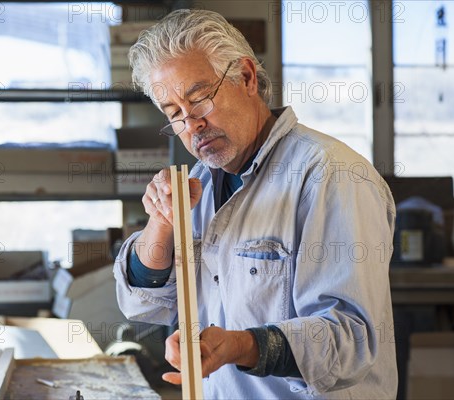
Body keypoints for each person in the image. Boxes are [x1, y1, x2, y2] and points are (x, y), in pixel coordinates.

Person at [113, 9, 398, 399]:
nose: (191, 125)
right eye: (175, 114)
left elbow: (350, 339)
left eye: (199, 100)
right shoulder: (194, 185)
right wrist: (160, 224)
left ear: (246, 77)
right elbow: (143, 305)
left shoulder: (332, 175)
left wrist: (240, 346)